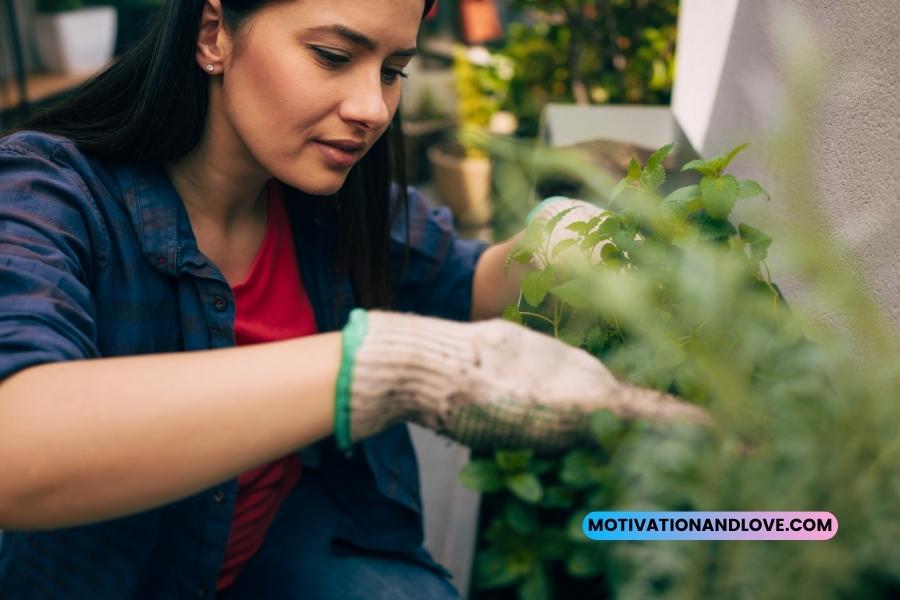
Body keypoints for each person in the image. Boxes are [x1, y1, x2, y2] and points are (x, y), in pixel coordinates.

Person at [0, 0, 702, 597]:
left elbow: (468, 283)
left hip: (282, 538)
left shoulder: (326, 197)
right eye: (334, 55)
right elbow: (19, 443)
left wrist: (558, 244)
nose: (373, 109)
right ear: (214, 33)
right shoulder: (46, 193)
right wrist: (379, 368)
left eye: (393, 70)